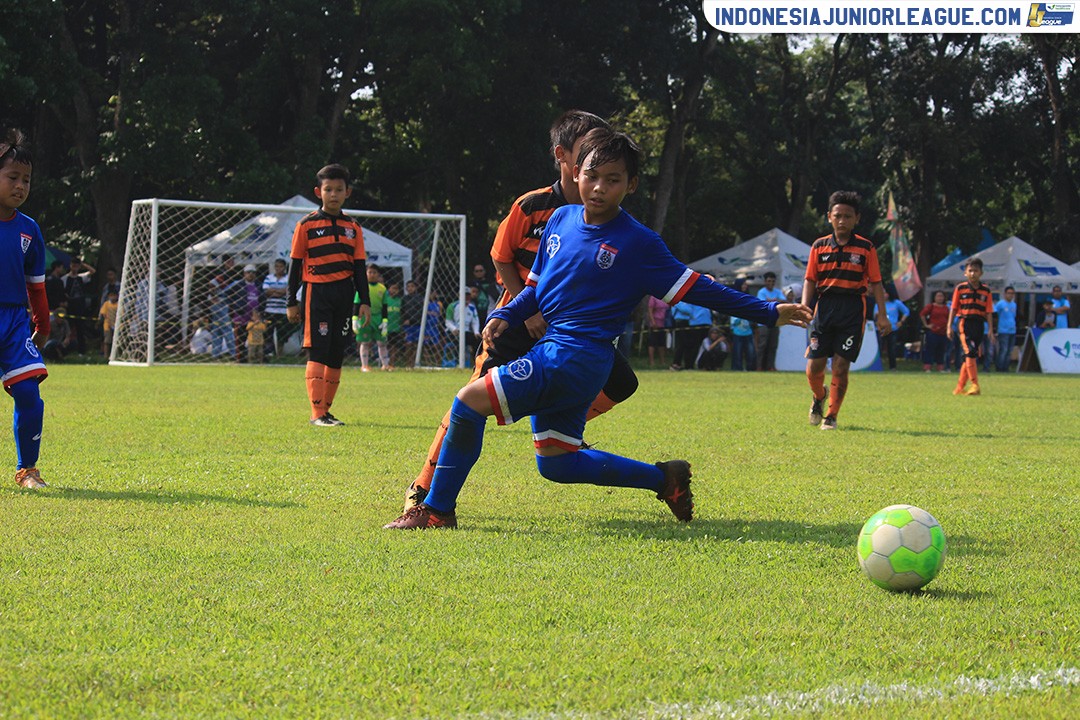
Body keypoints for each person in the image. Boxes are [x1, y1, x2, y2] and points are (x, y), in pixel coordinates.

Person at [385, 127, 812, 529]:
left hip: (572, 357)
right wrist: (507, 314)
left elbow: (698, 288)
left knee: (468, 402)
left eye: (613, 179)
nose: (599, 187)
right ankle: (665, 479)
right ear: (576, 173)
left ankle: (436, 511)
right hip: (568, 355)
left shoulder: (639, 243)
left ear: (631, 185)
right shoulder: (560, 220)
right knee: (557, 462)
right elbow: (537, 287)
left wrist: (769, 311)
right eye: (592, 175)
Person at [399, 110, 640, 513]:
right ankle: (424, 488)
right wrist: (525, 313)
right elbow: (501, 256)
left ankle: (562, 429)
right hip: (516, 321)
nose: (599, 157)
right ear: (564, 157)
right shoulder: (533, 206)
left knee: (622, 383)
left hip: (570, 333)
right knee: (468, 400)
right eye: (588, 148)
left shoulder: (608, 213)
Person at [286, 163, 371, 426]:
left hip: (344, 294)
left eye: (338, 189)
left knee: (336, 353)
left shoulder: (353, 227)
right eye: (328, 189)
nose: (333, 194)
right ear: (318, 192)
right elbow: (295, 266)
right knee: (318, 351)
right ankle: (316, 414)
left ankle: (326, 411)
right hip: (317, 293)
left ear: (348, 192)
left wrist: (365, 301)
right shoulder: (306, 225)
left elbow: (359, 267)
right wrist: (291, 301)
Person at [803, 190, 890, 430]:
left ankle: (831, 415)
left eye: (848, 216)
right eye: (838, 215)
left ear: (857, 219)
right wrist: (805, 306)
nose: (842, 221)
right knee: (814, 367)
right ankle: (819, 396)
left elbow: (876, 283)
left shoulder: (866, 248)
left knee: (841, 366)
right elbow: (810, 279)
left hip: (853, 309)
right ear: (829, 217)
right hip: (825, 308)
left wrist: (882, 315)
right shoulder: (819, 246)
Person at [0, 129, 51, 489]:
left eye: (26, 180)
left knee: (30, 395)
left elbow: (37, 285)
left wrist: (42, 326)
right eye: (12, 177)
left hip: (15, 323)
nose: (20, 186)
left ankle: (27, 470)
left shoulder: (29, 230)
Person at [947, 257, 995, 396]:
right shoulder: (960, 288)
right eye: (970, 271)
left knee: (970, 355)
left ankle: (959, 388)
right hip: (965, 323)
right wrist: (949, 326)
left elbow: (989, 311)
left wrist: (991, 329)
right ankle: (975, 384)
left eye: (976, 271)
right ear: (965, 273)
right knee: (970, 352)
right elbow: (953, 308)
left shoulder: (986, 290)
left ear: (981, 273)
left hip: (979, 325)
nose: (973, 273)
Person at [354, 264, 389, 372]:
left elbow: (384, 306)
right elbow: (357, 303)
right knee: (365, 342)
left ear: (378, 274)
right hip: (365, 318)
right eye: (370, 272)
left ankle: (385, 365)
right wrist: (355, 319)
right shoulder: (361, 287)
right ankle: (364, 365)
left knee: (382, 343)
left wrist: (385, 321)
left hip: (378, 318)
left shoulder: (382, 288)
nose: (372, 274)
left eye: (374, 272)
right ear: (366, 274)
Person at [63, 255, 96, 353]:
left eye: (77, 266)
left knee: (80, 328)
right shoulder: (65, 278)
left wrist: (82, 264)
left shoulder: (82, 277)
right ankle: (66, 349)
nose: (75, 268)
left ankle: (81, 350)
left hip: (80, 306)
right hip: (70, 306)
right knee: (68, 327)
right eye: (73, 265)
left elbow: (93, 271)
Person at [754, 271, 785, 370]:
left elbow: (784, 302)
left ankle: (770, 366)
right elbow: (763, 304)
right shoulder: (761, 292)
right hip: (763, 322)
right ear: (765, 282)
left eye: (773, 281)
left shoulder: (777, 291)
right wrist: (776, 301)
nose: (771, 283)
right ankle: (759, 366)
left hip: (775, 321)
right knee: (762, 345)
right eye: (769, 281)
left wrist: (770, 301)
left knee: (773, 345)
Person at [262, 258, 293, 356]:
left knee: (281, 333)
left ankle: (279, 353)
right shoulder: (269, 277)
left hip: (282, 310)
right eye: (276, 266)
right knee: (268, 332)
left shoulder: (288, 278)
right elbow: (266, 291)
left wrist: (274, 290)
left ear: (284, 267)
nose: (278, 268)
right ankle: (269, 352)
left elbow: (287, 291)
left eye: (280, 266)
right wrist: (280, 291)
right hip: (270, 310)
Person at [873, 288, 910, 370]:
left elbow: (906, 311)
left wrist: (901, 322)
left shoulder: (896, 303)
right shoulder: (878, 304)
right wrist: (877, 315)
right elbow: (874, 316)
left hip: (893, 329)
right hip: (880, 329)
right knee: (879, 348)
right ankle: (877, 366)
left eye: (885, 293)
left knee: (892, 348)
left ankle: (893, 367)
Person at [670, 299, 711, 371]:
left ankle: (687, 365)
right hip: (681, 322)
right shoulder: (677, 300)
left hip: (689, 322)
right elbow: (687, 310)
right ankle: (676, 364)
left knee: (689, 344)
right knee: (682, 344)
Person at [919, 290, 950, 372]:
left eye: (941, 296)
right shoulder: (931, 306)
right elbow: (922, 314)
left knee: (941, 350)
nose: (940, 298)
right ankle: (927, 367)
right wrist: (926, 325)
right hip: (933, 332)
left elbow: (949, 318)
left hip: (943, 332)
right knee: (930, 349)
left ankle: (940, 367)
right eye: (938, 296)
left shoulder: (946, 308)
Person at [993, 286, 1017, 372]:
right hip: (1003, 330)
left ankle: (1005, 368)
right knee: (1003, 349)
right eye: (1009, 293)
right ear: (1005, 294)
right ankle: (999, 368)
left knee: (1009, 351)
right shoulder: (1000, 304)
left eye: (1012, 293)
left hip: (1012, 330)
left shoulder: (1014, 304)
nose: (1011, 295)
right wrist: (995, 328)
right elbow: (994, 316)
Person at [400, 279, 424, 366]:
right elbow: (402, 311)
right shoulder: (404, 299)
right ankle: (408, 363)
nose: (410, 288)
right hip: (407, 326)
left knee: (416, 345)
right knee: (408, 344)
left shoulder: (420, 298)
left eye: (412, 286)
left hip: (417, 324)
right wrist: (404, 320)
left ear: (416, 287)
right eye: (408, 287)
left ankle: (415, 362)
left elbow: (421, 311)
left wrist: (411, 320)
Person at [645, 294, 670, 368]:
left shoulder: (666, 297)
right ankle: (651, 361)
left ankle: (662, 361)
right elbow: (650, 311)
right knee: (652, 342)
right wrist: (653, 322)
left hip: (663, 324)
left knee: (661, 343)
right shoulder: (653, 298)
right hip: (655, 323)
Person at [384, 281, 403, 368]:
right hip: (385, 327)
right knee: (384, 346)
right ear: (389, 289)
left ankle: (392, 363)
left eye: (396, 289)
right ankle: (384, 363)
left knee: (393, 346)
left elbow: (402, 313)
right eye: (393, 288)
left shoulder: (400, 301)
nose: (394, 290)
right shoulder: (385, 299)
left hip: (396, 327)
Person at [99, 289, 119, 357]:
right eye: (111, 296)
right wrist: (109, 322)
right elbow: (103, 313)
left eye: (114, 296)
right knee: (107, 341)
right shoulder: (106, 304)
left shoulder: (118, 304)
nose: (112, 297)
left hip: (117, 326)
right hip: (107, 325)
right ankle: (106, 355)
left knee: (116, 341)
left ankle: (116, 355)